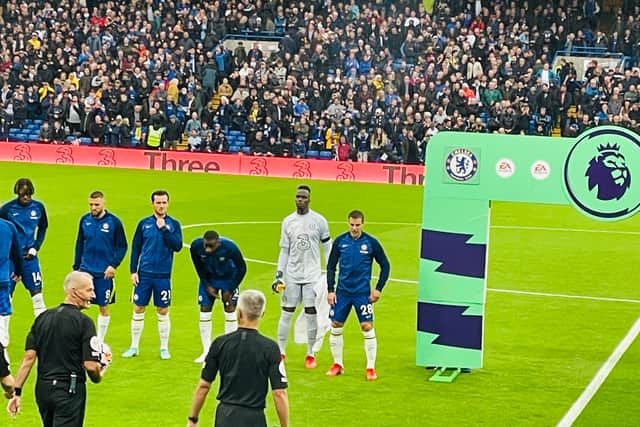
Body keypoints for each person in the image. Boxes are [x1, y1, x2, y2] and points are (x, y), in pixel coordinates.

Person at [7, 271, 109, 426]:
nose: (93, 296)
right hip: (69, 390)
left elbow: (28, 359)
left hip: (43, 390)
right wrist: (101, 371)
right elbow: (90, 366)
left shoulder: (42, 318)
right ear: (74, 292)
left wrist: (17, 392)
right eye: (89, 290)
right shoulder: (84, 322)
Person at [186, 289, 289, 427]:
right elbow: (279, 393)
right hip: (255, 418)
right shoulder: (270, 348)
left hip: (225, 417)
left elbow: (204, 385)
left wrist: (193, 419)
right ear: (262, 314)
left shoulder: (220, 343)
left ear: (238, 312)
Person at [326, 210, 390, 381]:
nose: (354, 228)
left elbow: (385, 265)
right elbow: (331, 266)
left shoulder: (371, 243)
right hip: (342, 293)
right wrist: (330, 290)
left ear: (363, 224)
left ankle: (370, 367)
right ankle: (337, 364)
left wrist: (378, 289)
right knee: (336, 325)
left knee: (367, 327)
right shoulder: (340, 241)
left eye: (357, 225)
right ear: (348, 223)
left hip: (362, 293)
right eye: (352, 224)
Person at [272, 185, 331, 369]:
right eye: (298, 197)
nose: (300, 200)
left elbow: (327, 247)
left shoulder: (319, 221)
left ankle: (310, 353)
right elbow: (284, 250)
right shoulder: (288, 221)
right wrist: (279, 274)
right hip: (292, 274)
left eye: (304, 197)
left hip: (312, 275)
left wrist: (329, 272)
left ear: (309, 200)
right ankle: (281, 351)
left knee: (311, 313)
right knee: (287, 312)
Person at [122, 190, 182, 360]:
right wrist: (133, 271)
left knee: (163, 309)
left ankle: (164, 348)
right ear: (152, 204)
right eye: (158, 202)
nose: (161, 205)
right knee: (138, 307)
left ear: (168, 204)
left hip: (163, 275)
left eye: (164, 202)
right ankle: (134, 346)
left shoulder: (174, 225)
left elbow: (177, 246)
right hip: (144, 274)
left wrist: (164, 230)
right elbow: (136, 248)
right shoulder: (144, 224)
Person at [73, 191, 128, 343]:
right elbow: (79, 244)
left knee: (103, 306)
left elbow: (122, 246)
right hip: (85, 271)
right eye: (91, 204)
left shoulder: (114, 222)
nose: (93, 208)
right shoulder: (84, 220)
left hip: (104, 273)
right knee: (78, 304)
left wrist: (113, 265)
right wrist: (76, 267)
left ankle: (100, 341)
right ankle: (78, 336)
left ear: (104, 204)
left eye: (96, 205)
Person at [0, 178, 48, 349]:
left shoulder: (39, 208)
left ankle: (44, 334)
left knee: (37, 295)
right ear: (17, 193)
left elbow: (43, 228)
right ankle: (3, 337)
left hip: (30, 258)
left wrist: (36, 247)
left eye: (28, 195)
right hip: (12, 259)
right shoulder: (7, 209)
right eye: (22, 195)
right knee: (6, 296)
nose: (26, 198)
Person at [190, 230, 247, 363]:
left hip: (228, 278)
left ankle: (229, 351)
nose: (208, 249)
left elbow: (242, 269)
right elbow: (198, 266)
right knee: (204, 310)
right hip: (209, 278)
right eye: (206, 245)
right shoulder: (196, 246)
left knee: (230, 308)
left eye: (211, 246)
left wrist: (230, 289)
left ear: (218, 243)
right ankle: (207, 351)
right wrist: (206, 284)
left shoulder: (230, 248)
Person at [0, 217, 23, 362]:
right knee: (3, 310)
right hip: (2, 278)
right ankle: (3, 345)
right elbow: (17, 253)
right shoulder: (8, 226)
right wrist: (19, 272)